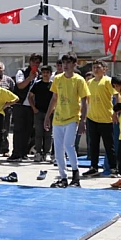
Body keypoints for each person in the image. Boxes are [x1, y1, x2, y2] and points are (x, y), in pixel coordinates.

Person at [45, 54, 89, 188]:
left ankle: (75, 176)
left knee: (68, 145)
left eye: (68, 62)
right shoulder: (57, 79)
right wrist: (47, 116)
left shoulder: (79, 80)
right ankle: (63, 177)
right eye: (64, 62)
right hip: (58, 118)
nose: (65, 65)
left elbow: (84, 101)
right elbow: (54, 98)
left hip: (72, 117)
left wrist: (83, 121)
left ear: (74, 64)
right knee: (58, 149)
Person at [83, 60, 118, 177]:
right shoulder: (89, 82)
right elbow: (86, 99)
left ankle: (113, 168)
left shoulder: (108, 81)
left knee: (109, 145)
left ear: (105, 69)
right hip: (92, 117)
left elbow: (117, 95)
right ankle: (94, 167)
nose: (96, 70)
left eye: (98, 67)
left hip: (106, 118)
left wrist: (116, 112)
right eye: (94, 67)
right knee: (93, 144)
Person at [9, 54, 42, 162]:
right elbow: (20, 85)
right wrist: (30, 78)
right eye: (33, 61)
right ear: (30, 62)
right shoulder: (22, 72)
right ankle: (16, 153)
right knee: (18, 129)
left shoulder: (40, 74)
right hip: (20, 104)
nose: (35, 64)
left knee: (28, 131)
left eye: (37, 62)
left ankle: (23, 153)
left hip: (31, 106)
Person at [28, 65, 54, 162]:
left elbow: (56, 98)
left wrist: (53, 109)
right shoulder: (37, 84)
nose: (45, 74)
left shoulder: (53, 85)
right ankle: (38, 153)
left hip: (50, 112)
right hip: (38, 112)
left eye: (47, 72)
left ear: (50, 74)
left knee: (48, 134)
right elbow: (30, 97)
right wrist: (34, 108)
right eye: (43, 73)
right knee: (38, 133)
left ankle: (47, 153)